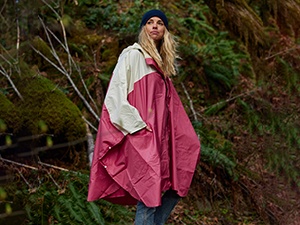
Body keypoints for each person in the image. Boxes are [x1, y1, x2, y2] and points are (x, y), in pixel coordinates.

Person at [87, 9, 201, 225]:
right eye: (150, 22)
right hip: (142, 136)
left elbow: (168, 109)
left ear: (165, 30)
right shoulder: (132, 56)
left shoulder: (162, 66)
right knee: (149, 196)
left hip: (162, 139)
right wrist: (137, 126)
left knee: (174, 188)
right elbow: (115, 97)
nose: (155, 26)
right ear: (143, 29)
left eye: (160, 22)